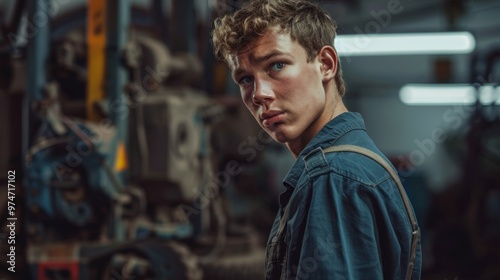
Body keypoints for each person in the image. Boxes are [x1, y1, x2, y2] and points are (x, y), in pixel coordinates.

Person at [211, 0, 422, 279]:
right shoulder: (353, 161)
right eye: (246, 80)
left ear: (325, 64)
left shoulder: (332, 176)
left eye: (276, 65)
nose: (259, 94)